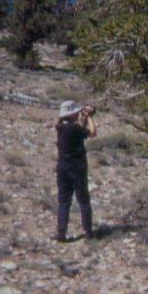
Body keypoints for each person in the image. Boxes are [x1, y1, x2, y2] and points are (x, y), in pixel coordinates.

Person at [54, 100, 97, 241]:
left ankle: (61, 232)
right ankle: (88, 231)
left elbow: (80, 133)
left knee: (64, 201)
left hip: (62, 167)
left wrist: (83, 119)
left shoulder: (60, 127)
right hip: (77, 168)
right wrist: (89, 117)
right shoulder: (74, 128)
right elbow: (92, 133)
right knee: (83, 200)